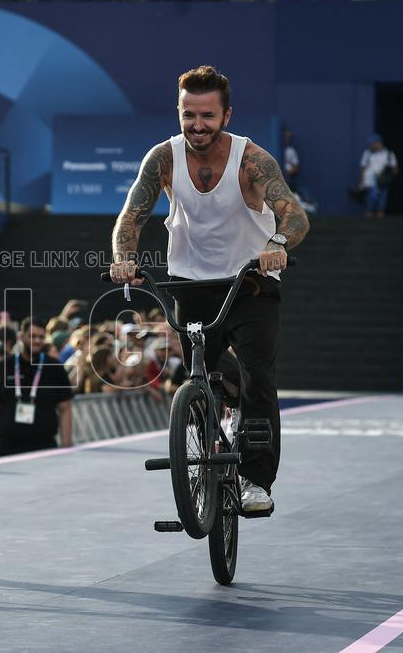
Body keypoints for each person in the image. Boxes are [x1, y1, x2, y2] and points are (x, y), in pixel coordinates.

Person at [109, 65, 309, 513]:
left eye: (207, 116)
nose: (197, 125)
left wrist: (276, 243)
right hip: (192, 282)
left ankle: (256, 480)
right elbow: (132, 215)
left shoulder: (252, 159)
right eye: (188, 115)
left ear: (227, 115)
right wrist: (124, 256)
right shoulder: (162, 158)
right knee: (205, 371)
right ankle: (208, 420)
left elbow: (293, 214)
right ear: (178, 112)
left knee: (259, 378)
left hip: (251, 282)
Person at [0, 317, 74, 460]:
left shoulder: (54, 368)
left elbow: (65, 409)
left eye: (41, 337)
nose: (37, 341)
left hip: (45, 450)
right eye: (32, 336)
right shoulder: (4, 366)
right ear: (21, 337)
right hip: (7, 450)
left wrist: (66, 447)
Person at [359, 133, 397, 218]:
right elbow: (363, 167)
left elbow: (394, 169)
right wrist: (361, 181)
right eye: (371, 144)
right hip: (370, 180)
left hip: (382, 181)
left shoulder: (389, 154)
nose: (371, 145)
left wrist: (387, 175)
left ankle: (380, 214)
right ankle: (369, 213)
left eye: (373, 143)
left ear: (379, 143)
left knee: (382, 197)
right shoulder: (367, 153)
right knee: (371, 197)